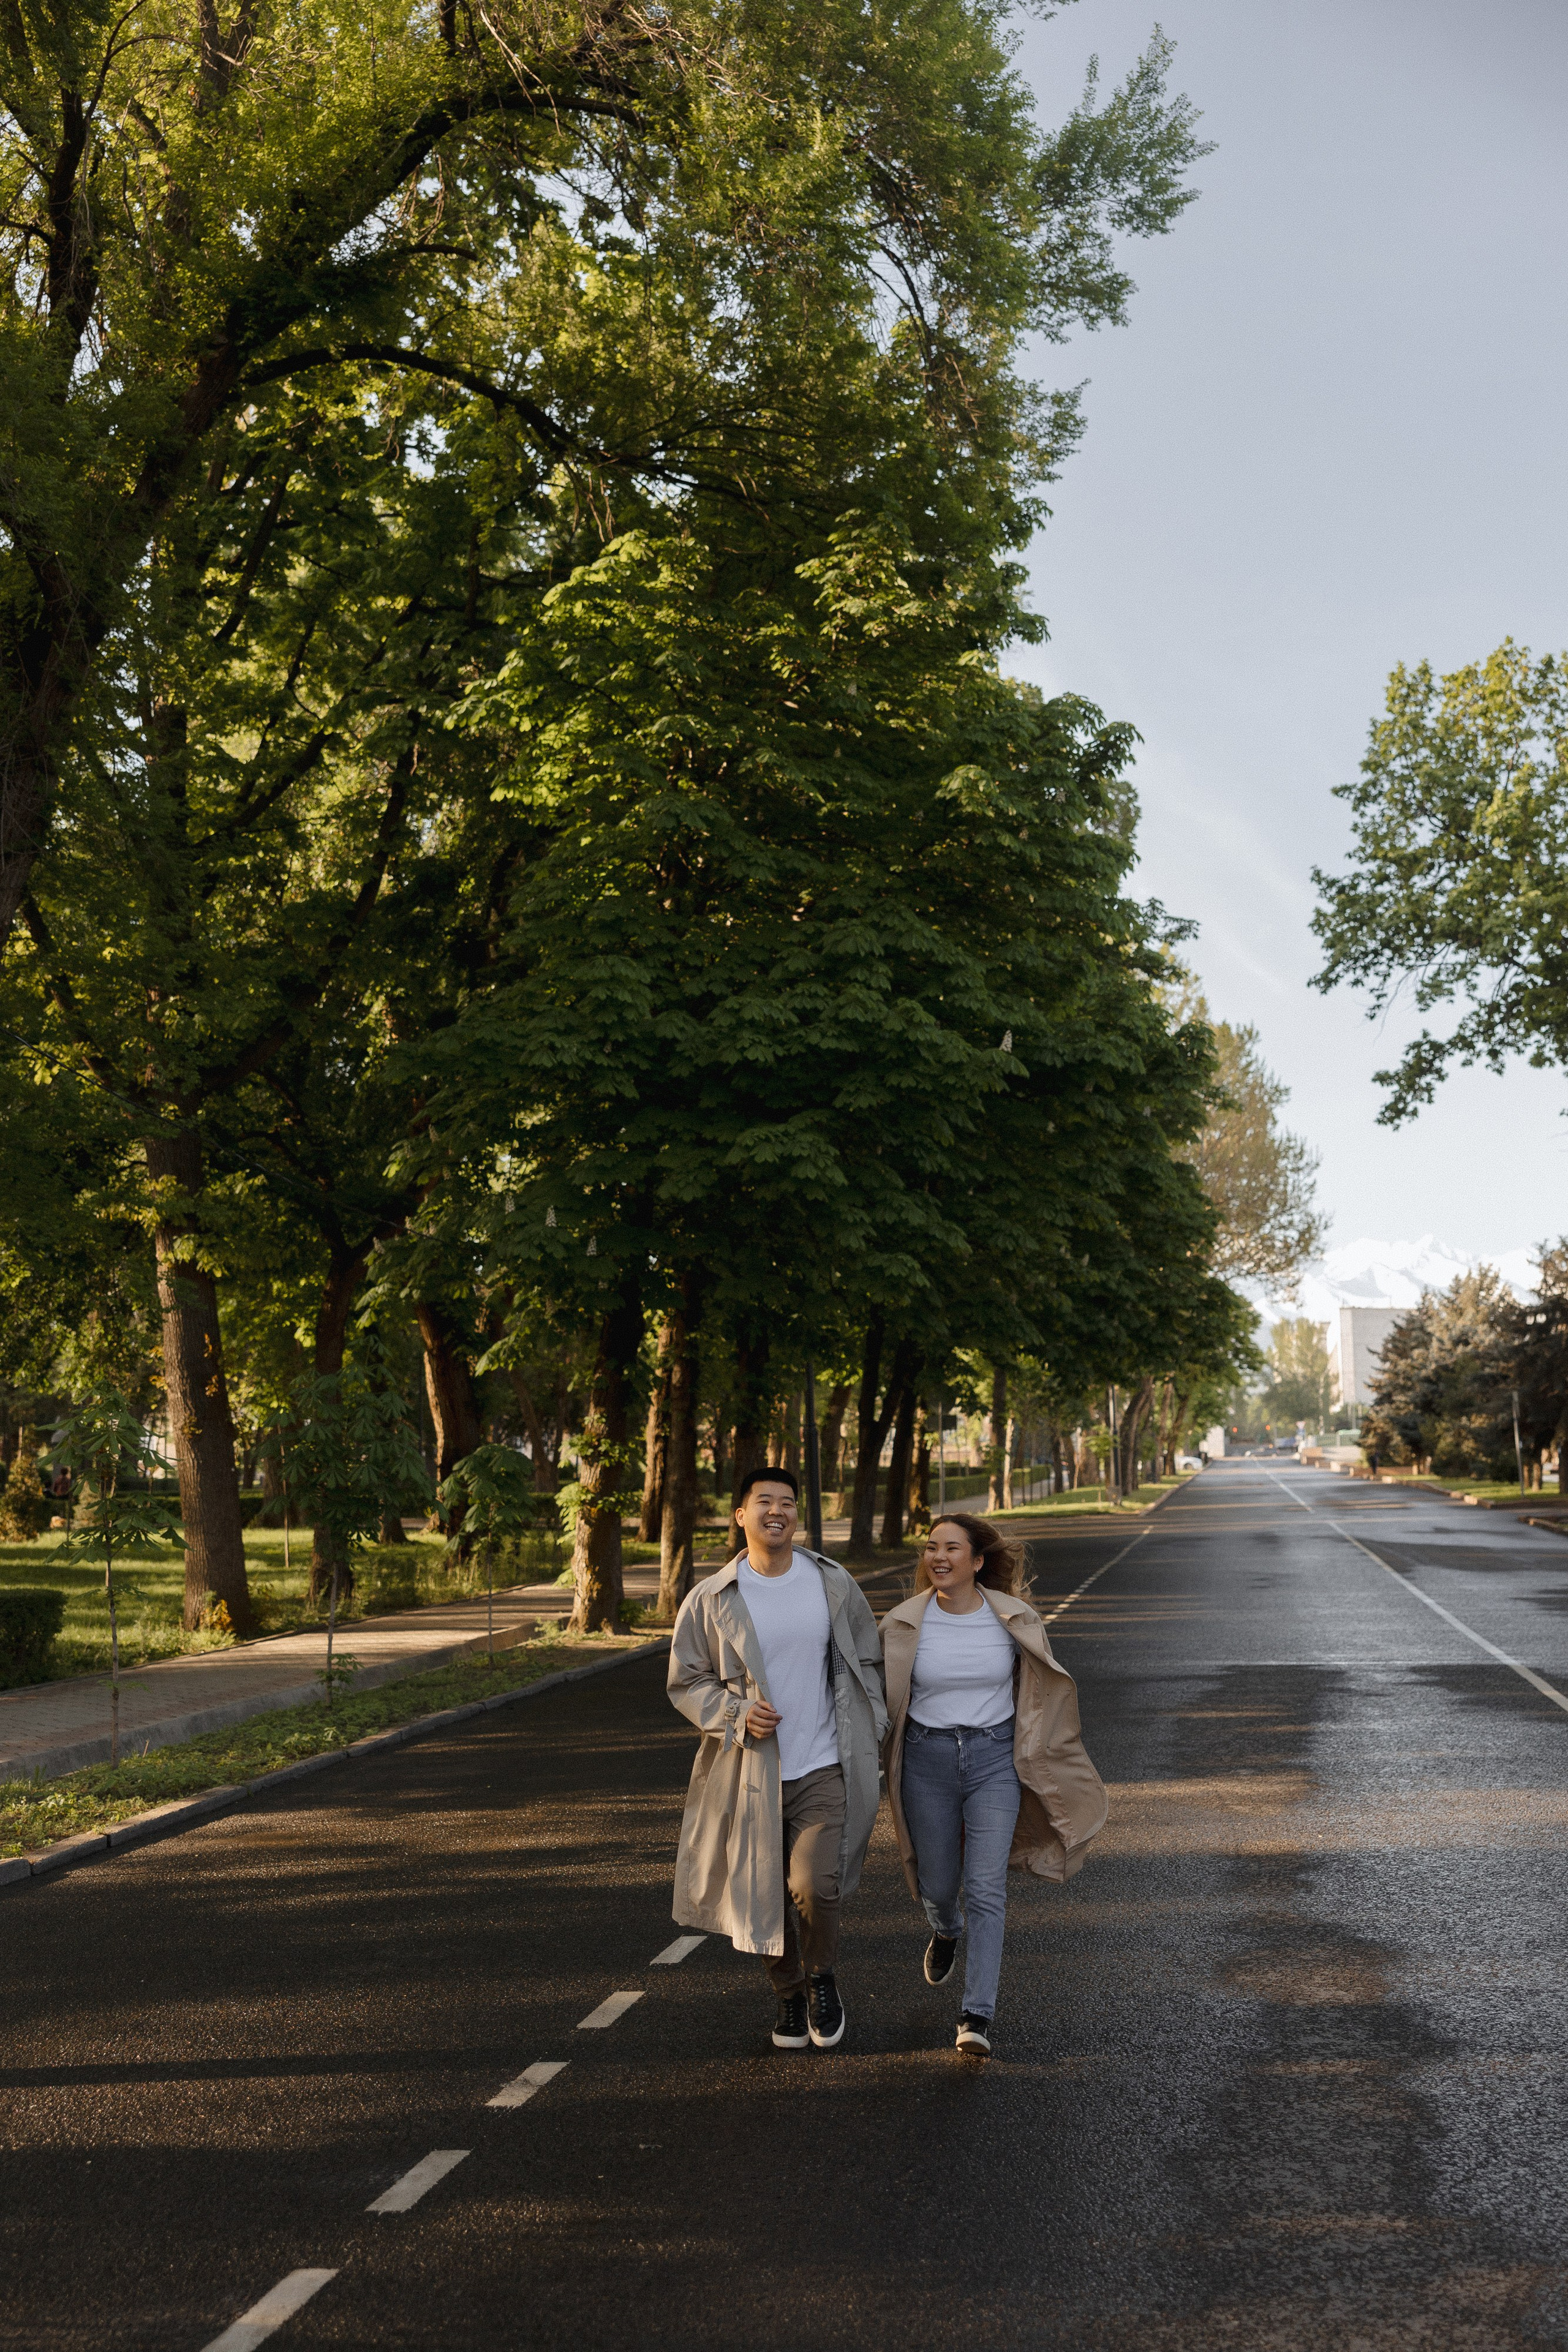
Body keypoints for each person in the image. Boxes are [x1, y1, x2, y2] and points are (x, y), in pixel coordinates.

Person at [667, 1466, 888, 2051]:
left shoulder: (832, 1582)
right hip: (749, 1772)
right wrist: (736, 1714)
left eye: (788, 1502)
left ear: (797, 1515)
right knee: (761, 1893)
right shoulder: (712, 1599)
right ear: (740, 1515)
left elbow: (869, 1658)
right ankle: (788, 1993)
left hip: (821, 1763)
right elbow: (686, 1682)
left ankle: (820, 1980)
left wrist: (873, 1723)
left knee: (814, 1884)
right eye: (763, 1502)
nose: (777, 1511)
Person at [880, 1512, 1107, 2058]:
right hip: (926, 1761)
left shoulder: (1015, 1618)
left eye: (952, 1548)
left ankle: (976, 2014)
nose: (938, 1557)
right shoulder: (903, 1623)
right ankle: (945, 1927)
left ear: (977, 1561)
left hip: (993, 1760)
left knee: (986, 1888)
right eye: (932, 1547)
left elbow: (1040, 1689)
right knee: (937, 1883)